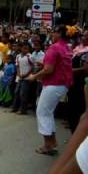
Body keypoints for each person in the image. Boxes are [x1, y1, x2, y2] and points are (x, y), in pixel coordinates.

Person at [28, 25, 73, 155]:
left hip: (54, 84)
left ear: (59, 33)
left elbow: (49, 70)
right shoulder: (67, 47)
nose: (51, 35)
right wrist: (44, 66)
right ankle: (52, 142)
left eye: (53, 32)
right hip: (62, 84)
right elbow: (56, 66)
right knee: (48, 112)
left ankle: (48, 145)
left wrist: (34, 76)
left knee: (42, 112)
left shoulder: (55, 47)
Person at [11, 42, 33, 115]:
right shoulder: (18, 56)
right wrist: (18, 73)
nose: (25, 50)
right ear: (21, 48)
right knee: (16, 92)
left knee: (23, 94)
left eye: (27, 48)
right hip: (20, 76)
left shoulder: (30, 56)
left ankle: (23, 110)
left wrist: (26, 74)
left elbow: (32, 67)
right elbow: (17, 66)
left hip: (27, 77)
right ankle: (15, 108)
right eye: (23, 48)